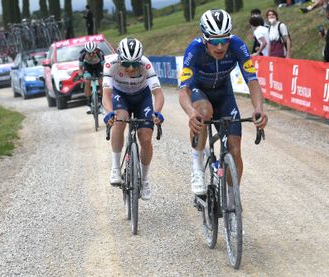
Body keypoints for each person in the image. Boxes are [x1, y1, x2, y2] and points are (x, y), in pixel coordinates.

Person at [178, 9, 268, 195]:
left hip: (223, 93)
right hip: (199, 91)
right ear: (205, 39)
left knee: (234, 149)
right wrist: (190, 112)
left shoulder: (237, 46)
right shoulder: (194, 50)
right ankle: (197, 167)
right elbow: (184, 90)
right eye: (214, 41)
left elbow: (252, 80)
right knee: (203, 112)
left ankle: (231, 200)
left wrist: (259, 108)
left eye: (224, 40)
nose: (220, 47)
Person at [102, 37, 165, 200]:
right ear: (119, 58)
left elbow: (158, 93)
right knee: (120, 118)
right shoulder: (111, 63)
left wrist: (157, 112)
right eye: (126, 64)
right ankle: (115, 168)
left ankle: (144, 180)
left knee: (145, 137)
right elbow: (106, 95)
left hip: (142, 97)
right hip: (120, 96)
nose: (130, 68)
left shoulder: (146, 64)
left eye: (135, 64)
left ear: (140, 61)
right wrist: (109, 112)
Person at [78, 41, 105, 114]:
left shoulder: (100, 53)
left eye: (93, 52)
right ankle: (89, 104)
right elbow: (80, 68)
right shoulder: (82, 54)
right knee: (87, 82)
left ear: (96, 50)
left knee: (101, 82)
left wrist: (104, 75)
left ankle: (103, 104)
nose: (91, 54)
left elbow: (104, 67)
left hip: (98, 66)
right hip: (88, 67)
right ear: (86, 51)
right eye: (89, 53)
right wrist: (81, 75)